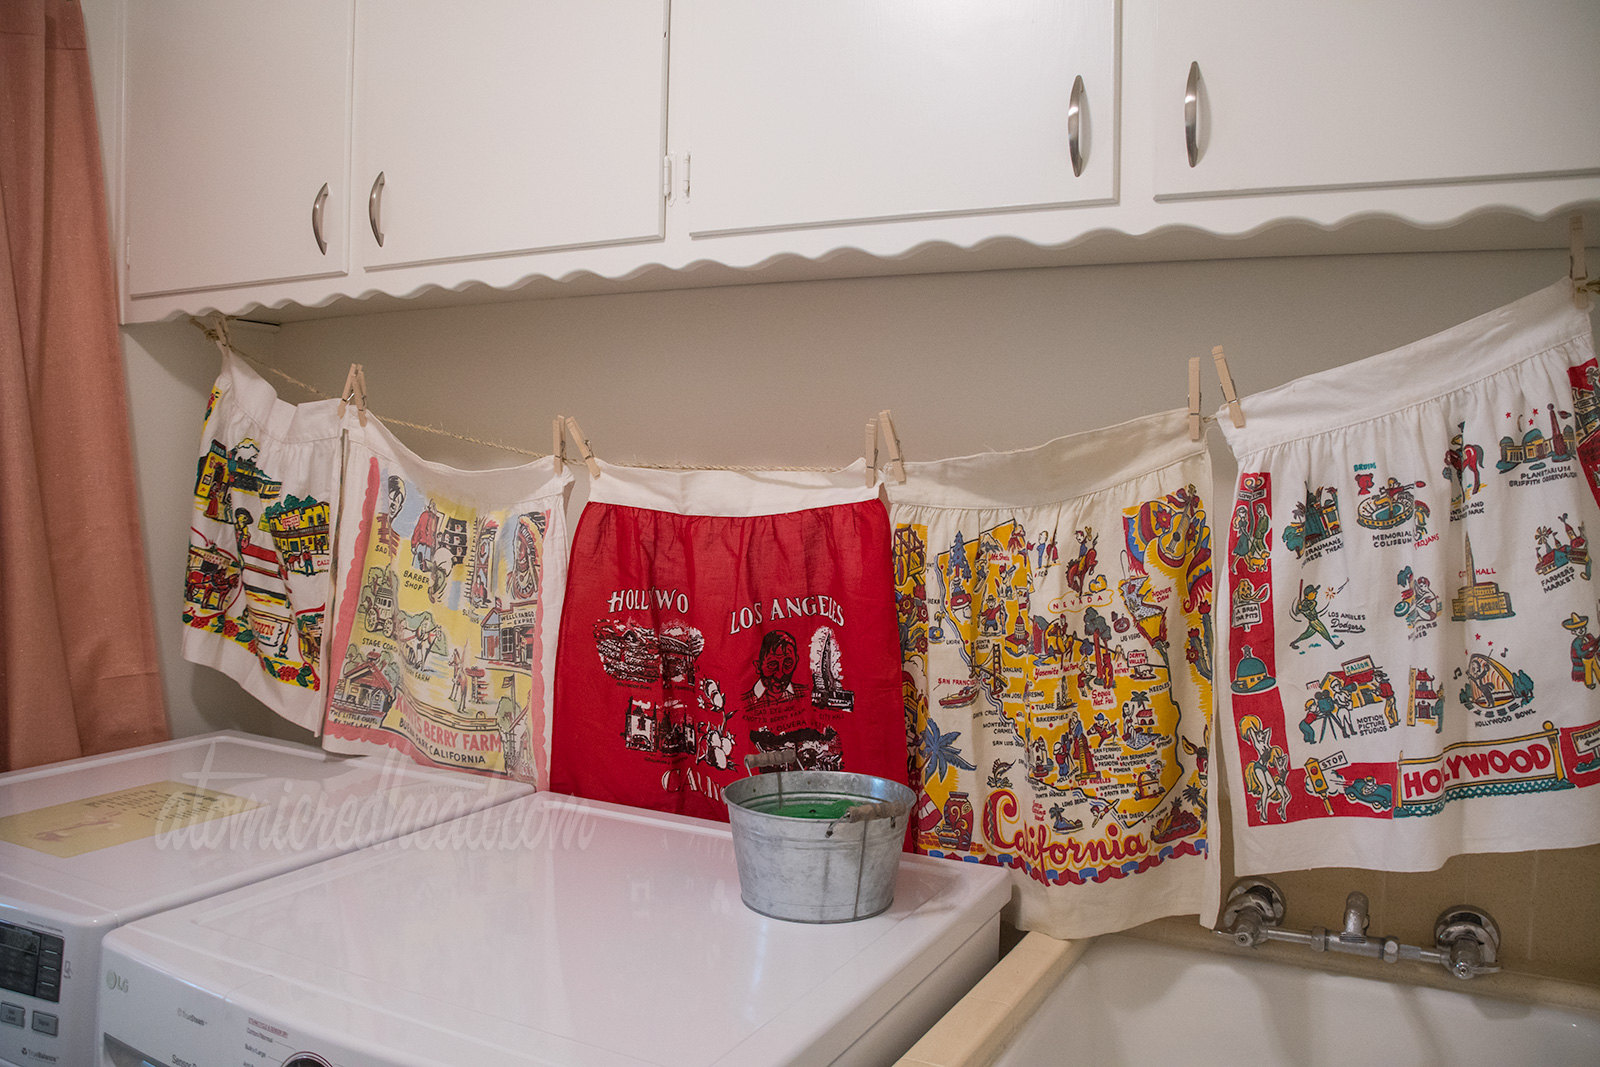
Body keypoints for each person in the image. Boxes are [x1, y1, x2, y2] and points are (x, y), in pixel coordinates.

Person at [743, 630, 809, 711]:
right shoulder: (743, 703)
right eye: (772, 665)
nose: (780, 674)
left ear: (796, 662)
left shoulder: (807, 694)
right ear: (758, 666)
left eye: (788, 663)